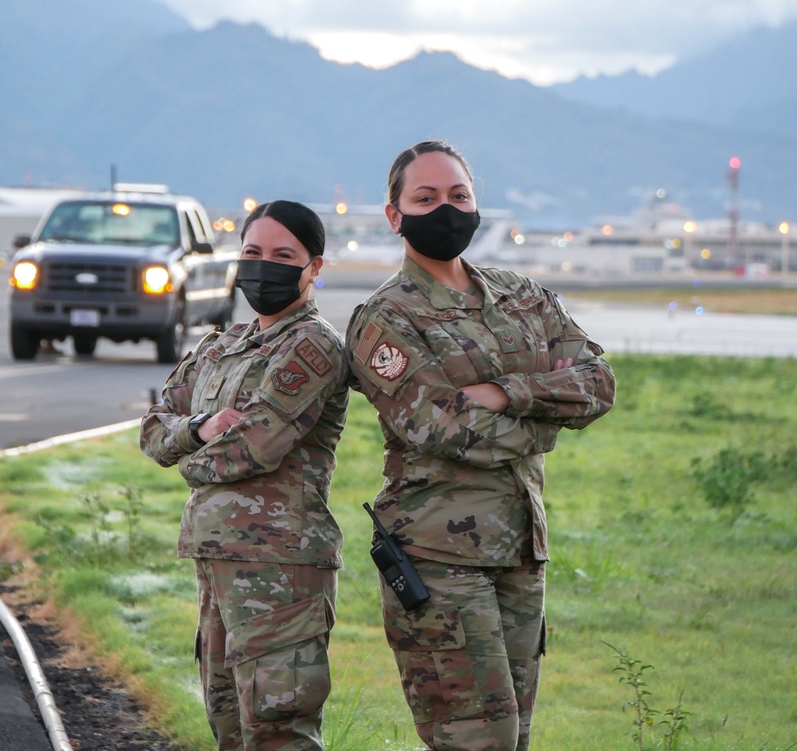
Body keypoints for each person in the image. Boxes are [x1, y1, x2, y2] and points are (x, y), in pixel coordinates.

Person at [346, 141, 616, 751]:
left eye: (458, 195)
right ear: (395, 216)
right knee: (474, 739)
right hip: (439, 560)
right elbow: (439, 429)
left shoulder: (522, 295)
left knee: (514, 737)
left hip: (521, 551)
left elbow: (598, 384)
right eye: (426, 197)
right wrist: (546, 419)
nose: (446, 208)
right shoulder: (386, 317)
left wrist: (502, 392)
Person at [140, 200, 349, 751]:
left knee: (278, 729)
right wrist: (203, 425)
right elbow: (153, 430)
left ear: (315, 267)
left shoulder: (313, 345)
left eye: (284, 255)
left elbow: (254, 447)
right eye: (253, 252)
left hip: (280, 569)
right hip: (216, 558)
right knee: (227, 724)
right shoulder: (222, 345)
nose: (264, 265)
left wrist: (190, 447)